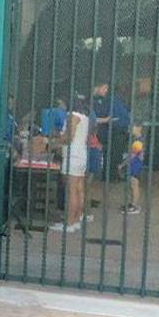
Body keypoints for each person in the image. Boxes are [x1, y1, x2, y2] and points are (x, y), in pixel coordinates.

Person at [50, 95, 90, 233]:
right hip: (81, 155)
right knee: (79, 189)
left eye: (61, 103)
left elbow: (69, 136)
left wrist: (55, 142)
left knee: (71, 190)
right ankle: (77, 219)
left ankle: (69, 223)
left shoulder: (72, 116)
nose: (60, 106)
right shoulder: (84, 117)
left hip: (72, 156)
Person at [92, 82, 131, 180]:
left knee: (114, 154)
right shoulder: (112, 100)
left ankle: (110, 175)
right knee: (113, 154)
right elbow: (104, 113)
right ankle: (111, 176)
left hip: (116, 129)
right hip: (114, 130)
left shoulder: (116, 100)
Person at [120, 139, 145, 215]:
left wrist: (122, 165)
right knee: (133, 186)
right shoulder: (138, 143)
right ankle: (133, 204)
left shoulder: (137, 143)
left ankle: (134, 205)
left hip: (135, 169)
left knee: (134, 187)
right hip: (135, 169)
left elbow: (131, 157)